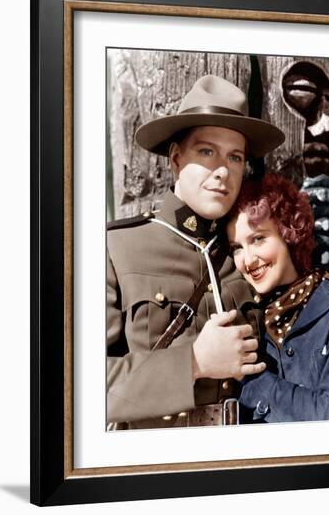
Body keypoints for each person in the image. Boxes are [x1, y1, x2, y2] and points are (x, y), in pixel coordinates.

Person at [107, 75, 285, 429]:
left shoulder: (251, 255)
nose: (222, 171)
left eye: (235, 157)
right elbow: (72, 388)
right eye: (207, 152)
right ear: (175, 158)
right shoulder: (116, 248)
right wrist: (193, 362)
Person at [225, 173, 329, 422]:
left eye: (258, 239)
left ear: (289, 232)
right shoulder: (244, 316)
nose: (248, 260)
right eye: (237, 248)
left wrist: (250, 381)